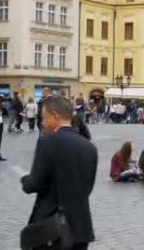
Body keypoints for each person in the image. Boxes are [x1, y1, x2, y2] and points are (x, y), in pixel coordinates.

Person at [21, 96, 98, 249]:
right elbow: (87, 188)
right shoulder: (90, 147)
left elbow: (35, 183)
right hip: (81, 228)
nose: (42, 123)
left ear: (55, 116)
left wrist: (25, 180)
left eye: (44, 118)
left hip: (53, 229)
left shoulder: (47, 142)